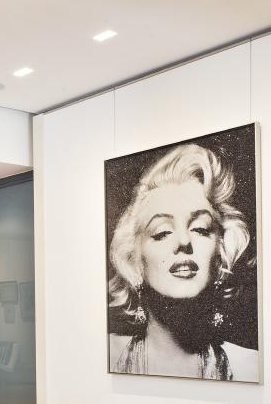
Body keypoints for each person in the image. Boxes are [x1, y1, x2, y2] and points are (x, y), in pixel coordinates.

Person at [107, 143, 258, 381]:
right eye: (162, 232)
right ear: (134, 261)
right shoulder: (104, 355)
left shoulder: (250, 368)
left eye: (200, 229)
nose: (184, 241)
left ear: (220, 252)